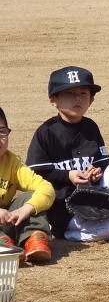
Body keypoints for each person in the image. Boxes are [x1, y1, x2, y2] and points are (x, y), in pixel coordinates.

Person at [26, 66, 109, 243]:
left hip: (93, 198)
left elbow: (104, 163)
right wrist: (68, 175)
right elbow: (35, 173)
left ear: (91, 100)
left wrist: (97, 171)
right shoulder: (46, 132)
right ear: (53, 100)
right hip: (63, 208)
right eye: (69, 93)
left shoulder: (91, 127)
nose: (77, 98)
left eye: (83, 93)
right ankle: (62, 232)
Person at [0, 107, 55, 262]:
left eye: (2, 132)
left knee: (31, 197)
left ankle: (34, 239)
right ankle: (4, 246)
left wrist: (26, 208)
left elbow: (46, 188)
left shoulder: (12, 162)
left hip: (6, 222)